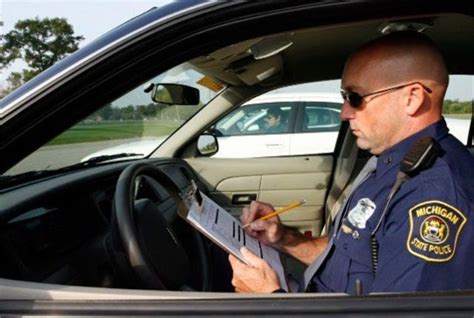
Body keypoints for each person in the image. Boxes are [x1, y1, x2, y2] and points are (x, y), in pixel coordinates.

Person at [228, 31, 474, 294]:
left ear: (411, 99)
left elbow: (399, 315)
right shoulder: (389, 163)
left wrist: (269, 300)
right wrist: (284, 239)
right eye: (344, 97)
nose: (345, 113)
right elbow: (350, 256)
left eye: (355, 98)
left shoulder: (432, 194)